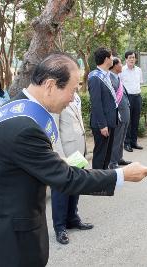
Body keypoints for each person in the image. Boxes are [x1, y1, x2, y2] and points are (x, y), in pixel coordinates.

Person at [0, 53, 147, 267]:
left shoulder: (15, 107)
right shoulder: (24, 127)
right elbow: (66, 179)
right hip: (11, 239)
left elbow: (23, 163)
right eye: (73, 90)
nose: (72, 99)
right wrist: (122, 175)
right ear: (50, 85)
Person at [50, 92, 94, 245]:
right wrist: (59, 156)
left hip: (78, 150)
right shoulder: (55, 98)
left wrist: (84, 150)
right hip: (65, 153)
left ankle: (72, 218)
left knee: (76, 185)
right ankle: (60, 227)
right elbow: (53, 130)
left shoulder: (75, 96)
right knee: (61, 190)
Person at [88, 47, 118, 170]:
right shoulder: (95, 77)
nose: (113, 59)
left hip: (110, 120)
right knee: (100, 154)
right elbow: (96, 103)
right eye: (111, 57)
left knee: (107, 153)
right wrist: (102, 125)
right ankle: (96, 184)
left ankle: (104, 180)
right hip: (102, 124)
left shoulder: (106, 75)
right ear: (106, 59)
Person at [109, 57, 132, 169]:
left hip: (125, 111)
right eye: (120, 63)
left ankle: (119, 158)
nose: (121, 65)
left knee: (122, 137)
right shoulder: (109, 78)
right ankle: (112, 163)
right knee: (117, 138)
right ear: (114, 65)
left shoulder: (117, 77)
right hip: (118, 113)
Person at [120, 51, 144, 152]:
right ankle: (127, 143)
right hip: (127, 97)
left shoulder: (138, 70)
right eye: (130, 57)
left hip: (137, 96)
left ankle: (134, 142)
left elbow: (140, 83)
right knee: (128, 121)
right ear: (126, 59)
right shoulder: (122, 70)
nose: (132, 59)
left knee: (135, 120)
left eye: (133, 57)